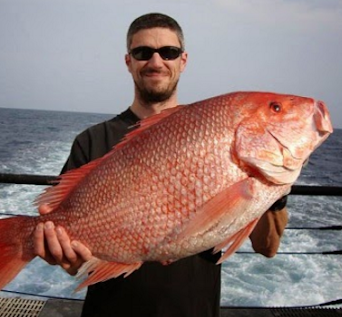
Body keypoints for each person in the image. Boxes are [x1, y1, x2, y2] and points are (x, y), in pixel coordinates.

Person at [33, 13, 288, 317]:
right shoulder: (91, 141)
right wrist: (62, 254)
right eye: (143, 53)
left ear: (184, 60)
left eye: (169, 52)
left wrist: (273, 183)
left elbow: (267, 247)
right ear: (128, 61)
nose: (156, 62)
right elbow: (74, 264)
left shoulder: (220, 138)